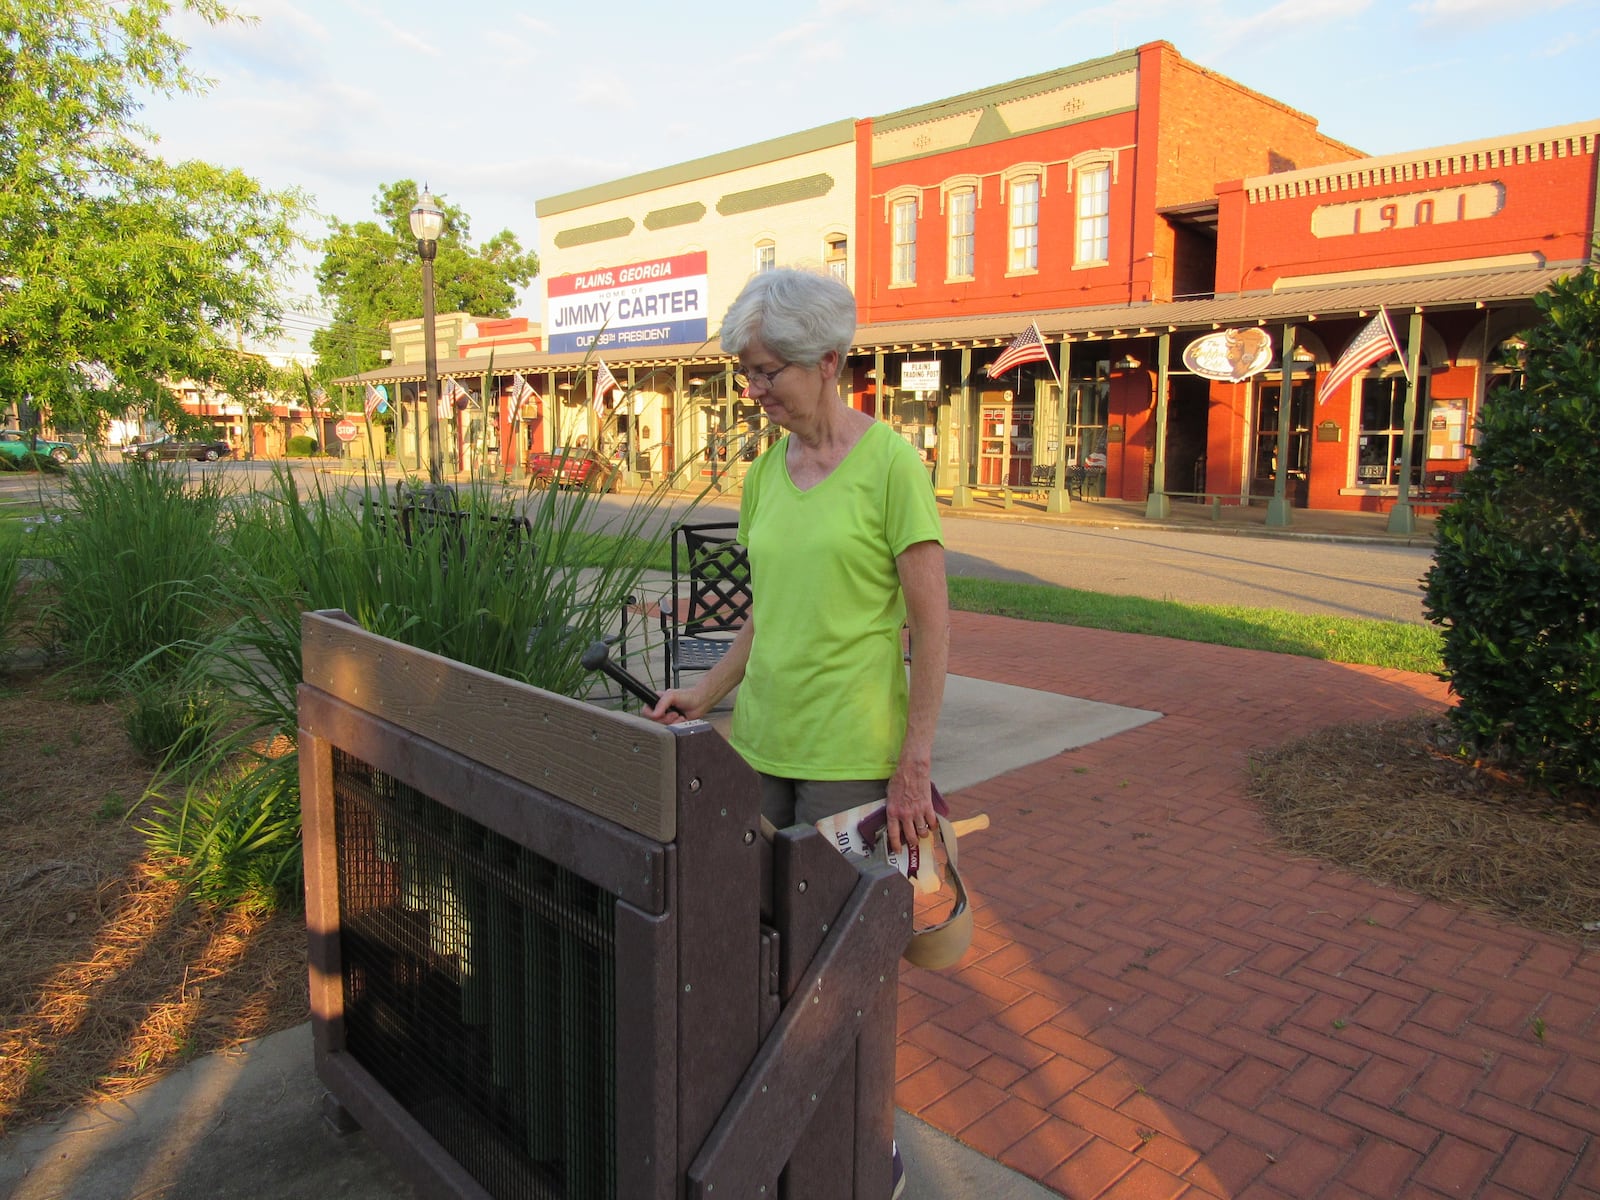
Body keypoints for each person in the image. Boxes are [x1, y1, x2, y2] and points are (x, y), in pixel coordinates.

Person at [646, 268, 948, 858]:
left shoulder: (891, 467)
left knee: (834, 935)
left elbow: (933, 630)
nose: (753, 388)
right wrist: (705, 693)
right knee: (757, 922)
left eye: (768, 371)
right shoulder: (762, 474)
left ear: (827, 362)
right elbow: (772, 609)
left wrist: (915, 760)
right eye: (746, 372)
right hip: (759, 744)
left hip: (850, 755)